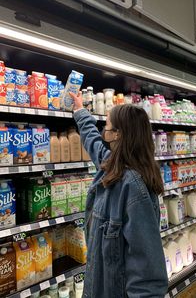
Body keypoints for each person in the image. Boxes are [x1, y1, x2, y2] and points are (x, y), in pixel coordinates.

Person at [70, 91, 168, 298]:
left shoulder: (133, 188)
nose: (104, 133)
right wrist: (79, 111)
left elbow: (148, 274)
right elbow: (94, 144)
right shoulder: (114, 166)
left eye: (106, 127)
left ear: (117, 134)